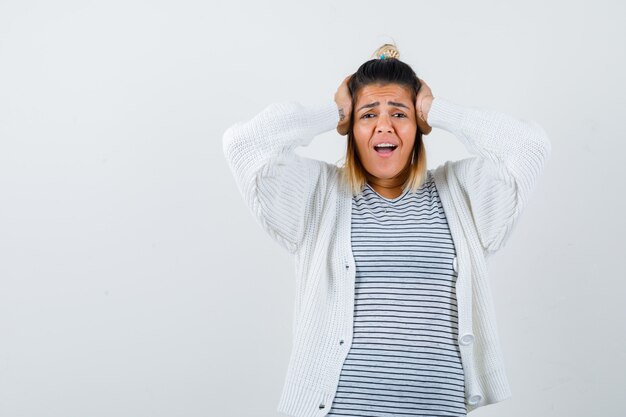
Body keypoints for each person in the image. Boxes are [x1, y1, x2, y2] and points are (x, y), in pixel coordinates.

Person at [222, 44, 551, 417]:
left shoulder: (463, 194)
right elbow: (243, 143)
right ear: (350, 129)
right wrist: (335, 110)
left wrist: (438, 109)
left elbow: (529, 146)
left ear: (418, 127)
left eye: (400, 113)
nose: (384, 125)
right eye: (368, 114)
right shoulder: (317, 195)